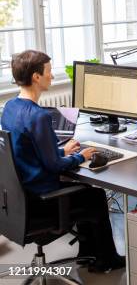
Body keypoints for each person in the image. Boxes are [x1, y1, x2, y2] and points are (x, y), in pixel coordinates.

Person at [1, 50, 125, 273]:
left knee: (84, 192)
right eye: (49, 72)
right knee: (94, 195)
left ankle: (88, 253)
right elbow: (55, 166)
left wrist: (60, 149)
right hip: (41, 201)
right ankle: (107, 259)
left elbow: (26, 149)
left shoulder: (10, 107)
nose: (52, 76)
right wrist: (81, 156)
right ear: (36, 77)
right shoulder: (38, 116)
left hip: (20, 199)